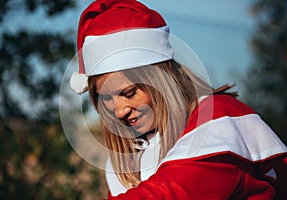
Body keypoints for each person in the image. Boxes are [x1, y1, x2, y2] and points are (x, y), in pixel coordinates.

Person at [69, 0, 287, 199]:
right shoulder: (130, 158)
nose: (119, 111)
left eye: (130, 93)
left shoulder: (219, 121)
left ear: (162, 82)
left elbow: (173, 192)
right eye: (106, 98)